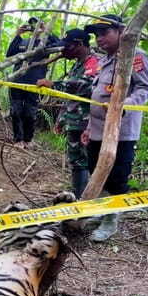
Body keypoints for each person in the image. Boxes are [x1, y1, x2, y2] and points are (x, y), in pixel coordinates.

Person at [82, 14, 148, 242]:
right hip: (96, 129)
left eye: (105, 33)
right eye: (96, 35)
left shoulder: (135, 56)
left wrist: (125, 105)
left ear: (121, 31)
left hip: (120, 132)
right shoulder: (104, 60)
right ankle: (102, 212)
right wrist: (88, 126)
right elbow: (97, 95)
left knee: (116, 176)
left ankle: (111, 221)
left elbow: (145, 90)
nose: (99, 38)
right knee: (96, 171)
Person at [36, 29, 100, 197]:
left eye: (68, 47)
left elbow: (87, 86)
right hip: (73, 121)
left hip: (87, 122)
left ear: (79, 45)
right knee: (77, 162)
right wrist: (60, 119)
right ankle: (79, 197)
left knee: (88, 161)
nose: (64, 51)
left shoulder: (94, 62)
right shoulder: (78, 64)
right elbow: (69, 98)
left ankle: (87, 200)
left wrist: (54, 84)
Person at [6, 17, 60, 149]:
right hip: (17, 81)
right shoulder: (23, 42)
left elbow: (59, 45)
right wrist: (17, 34)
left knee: (30, 112)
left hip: (36, 83)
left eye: (37, 25)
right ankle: (18, 139)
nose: (34, 27)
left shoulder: (45, 43)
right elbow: (9, 53)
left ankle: (28, 139)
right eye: (32, 25)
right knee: (16, 111)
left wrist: (47, 30)